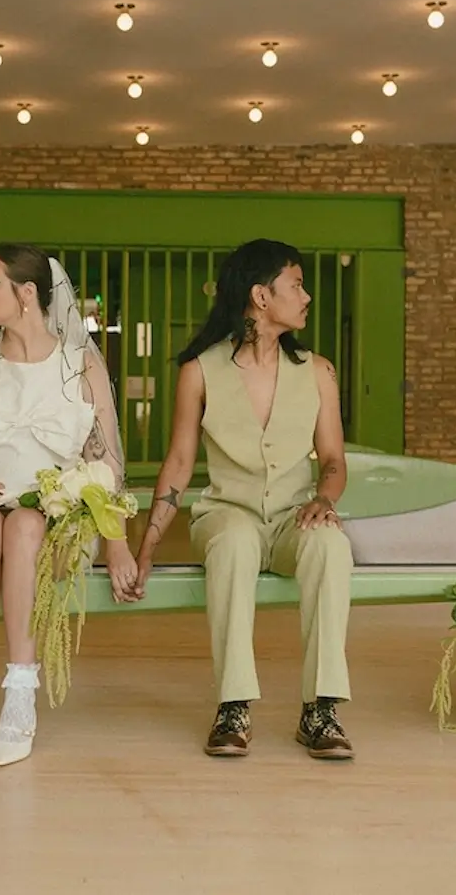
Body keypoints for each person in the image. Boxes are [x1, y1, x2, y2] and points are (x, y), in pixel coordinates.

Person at [134, 238, 356, 760]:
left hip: (292, 518)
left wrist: (324, 499)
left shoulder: (318, 373)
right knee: (233, 543)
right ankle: (233, 705)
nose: (306, 297)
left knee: (331, 545)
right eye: (296, 285)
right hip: (226, 514)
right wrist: (147, 546)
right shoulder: (200, 371)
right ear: (261, 296)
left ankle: (320, 708)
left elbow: (333, 460)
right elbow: (180, 464)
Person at [0, 244, 138, 768]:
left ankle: (20, 691)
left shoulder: (79, 364)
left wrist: (118, 545)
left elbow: (104, 464)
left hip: (56, 523)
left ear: (28, 293)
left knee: (23, 526)